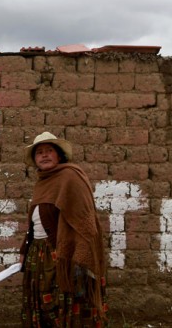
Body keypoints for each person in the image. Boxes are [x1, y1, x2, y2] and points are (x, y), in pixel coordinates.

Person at [20, 132, 108, 328]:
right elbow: (36, 220)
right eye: (39, 152)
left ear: (59, 155)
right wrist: (24, 249)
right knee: (44, 304)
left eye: (49, 151)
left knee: (63, 305)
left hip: (62, 254)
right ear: (35, 160)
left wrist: (79, 255)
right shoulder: (43, 181)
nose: (44, 155)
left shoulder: (70, 177)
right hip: (40, 254)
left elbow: (84, 220)